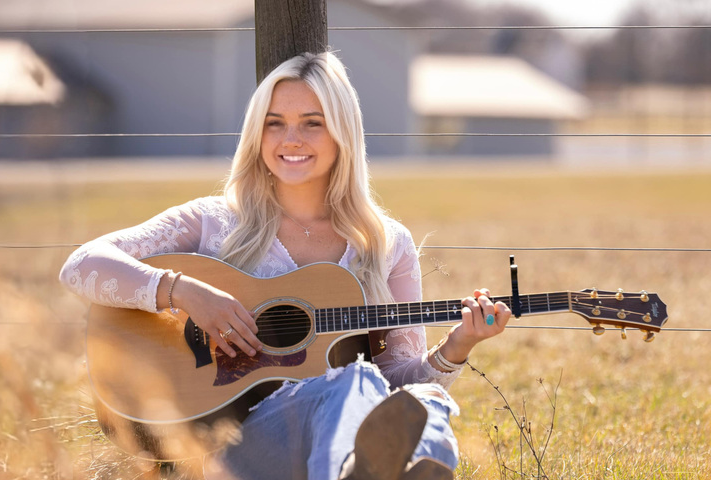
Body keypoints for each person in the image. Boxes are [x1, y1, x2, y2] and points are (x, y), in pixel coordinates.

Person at [59, 51, 510, 480]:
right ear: (258, 134)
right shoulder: (214, 222)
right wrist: (184, 292)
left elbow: (393, 387)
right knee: (352, 381)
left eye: (311, 124)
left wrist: (456, 346)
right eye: (275, 124)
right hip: (233, 443)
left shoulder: (386, 244)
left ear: (342, 133)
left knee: (423, 399)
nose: (290, 139)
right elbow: (81, 265)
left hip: (339, 422)